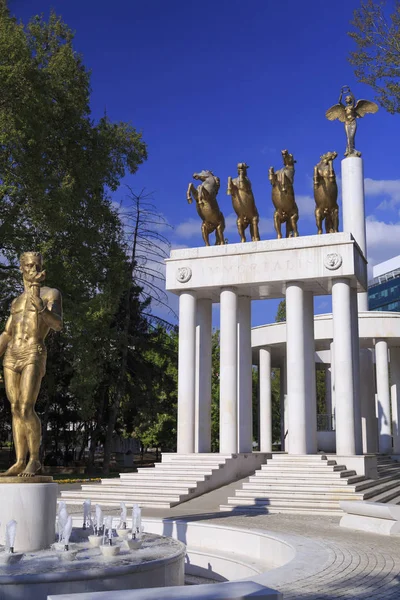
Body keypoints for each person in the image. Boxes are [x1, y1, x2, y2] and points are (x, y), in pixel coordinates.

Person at [0, 252, 62, 477]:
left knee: (26, 407)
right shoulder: (16, 301)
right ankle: (19, 460)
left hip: (33, 352)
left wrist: (43, 309)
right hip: (11, 355)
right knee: (15, 408)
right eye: (28, 265)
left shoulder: (51, 294)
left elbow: (57, 325)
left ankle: (34, 459)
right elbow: (7, 333)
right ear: (21, 268)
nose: (33, 269)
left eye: (37, 265)